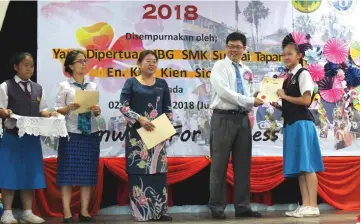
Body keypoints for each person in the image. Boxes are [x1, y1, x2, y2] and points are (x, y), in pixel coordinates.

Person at [208, 32, 264, 219]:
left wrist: (257, 96)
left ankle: (242, 207)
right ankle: (217, 208)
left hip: (242, 119)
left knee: (243, 166)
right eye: (230, 46)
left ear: (244, 49)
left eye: (238, 46)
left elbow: (247, 94)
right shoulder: (219, 66)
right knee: (219, 166)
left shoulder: (246, 70)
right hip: (223, 118)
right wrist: (249, 99)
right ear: (226, 47)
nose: (234, 49)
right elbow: (224, 92)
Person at [0, 52, 58, 224]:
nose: (29, 68)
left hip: (32, 138)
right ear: (16, 67)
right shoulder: (5, 86)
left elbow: (42, 110)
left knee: (29, 174)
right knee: (9, 173)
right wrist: (5, 112)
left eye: (31, 65)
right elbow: (0, 109)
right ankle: (8, 213)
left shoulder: (38, 88)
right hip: (12, 137)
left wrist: (52, 114)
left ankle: (27, 212)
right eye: (25, 65)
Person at [271, 42, 324, 218]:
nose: (286, 57)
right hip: (292, 123)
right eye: (284, 54)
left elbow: (306, 101)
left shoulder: (303, 74)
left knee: (307, 165)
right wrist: (278, 105)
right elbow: (290, 104)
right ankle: (305, 204)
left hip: (302, 123)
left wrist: (285, 96)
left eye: (290, 54)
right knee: (301, 167)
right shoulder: (288, 78)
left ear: (299, 56)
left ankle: (313, 205)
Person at [119, 50, 173, 222]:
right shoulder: (131, 83)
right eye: (148, 61)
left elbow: (168, 109)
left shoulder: (162, 84)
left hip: (158, 134)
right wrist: (140, 119)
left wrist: (167, 130)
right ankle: (142, 213)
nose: (152, 64)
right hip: (137, 135)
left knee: (158, 171)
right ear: (139, 63)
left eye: (154, 61)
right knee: (139, 171)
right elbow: (124, 107)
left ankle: (160, 211)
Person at [55, 50, 101, 223]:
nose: (84, 64)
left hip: (90, 133)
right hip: (71, 133)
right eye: (80, 61)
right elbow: (57, 109)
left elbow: (97, 112)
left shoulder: (93, 86)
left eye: (85, 61)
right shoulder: (64, 86)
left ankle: (84, 211)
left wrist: (97, 111)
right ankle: (67, 212)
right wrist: (69, 108)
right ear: (71, 65)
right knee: (67, 173)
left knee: (87, 174)